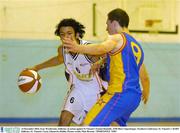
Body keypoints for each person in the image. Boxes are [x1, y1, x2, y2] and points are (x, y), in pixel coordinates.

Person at [63, 8, 150, 126]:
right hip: (134, 98)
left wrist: (77, 48)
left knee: (87, 125)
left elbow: (102, 48)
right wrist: (146, 92)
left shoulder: (117, 37)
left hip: (119, 94)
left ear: (114, 23)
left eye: (107, 24)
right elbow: (144, 77)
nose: (106, 29)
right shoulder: (137, 47)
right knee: (115, 125)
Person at [28, 18, 107, 126]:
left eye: (69, 33)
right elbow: (59, 59)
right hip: (78, 89)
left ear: (77, 34)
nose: (66, 37)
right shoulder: (62, 50)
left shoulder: (88, 49)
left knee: (91, 126)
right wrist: (36, 67)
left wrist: (101, 61)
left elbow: (108, 55)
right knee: (63, 120)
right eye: (62, 34)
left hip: (96, 92)